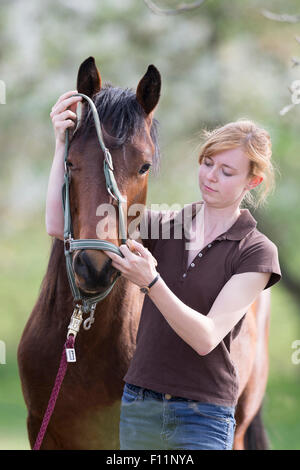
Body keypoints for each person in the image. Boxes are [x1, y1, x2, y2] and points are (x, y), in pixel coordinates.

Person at [46, 91, 282, 450]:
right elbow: (56, 225)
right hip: (140, 407)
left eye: (227, 171)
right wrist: (62, 144)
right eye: (207, 163)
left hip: (203, 417)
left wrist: (151, 282)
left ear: (253, 182)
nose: (210, 177)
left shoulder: (256, 252)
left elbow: (206, 338)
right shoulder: (163, 226)